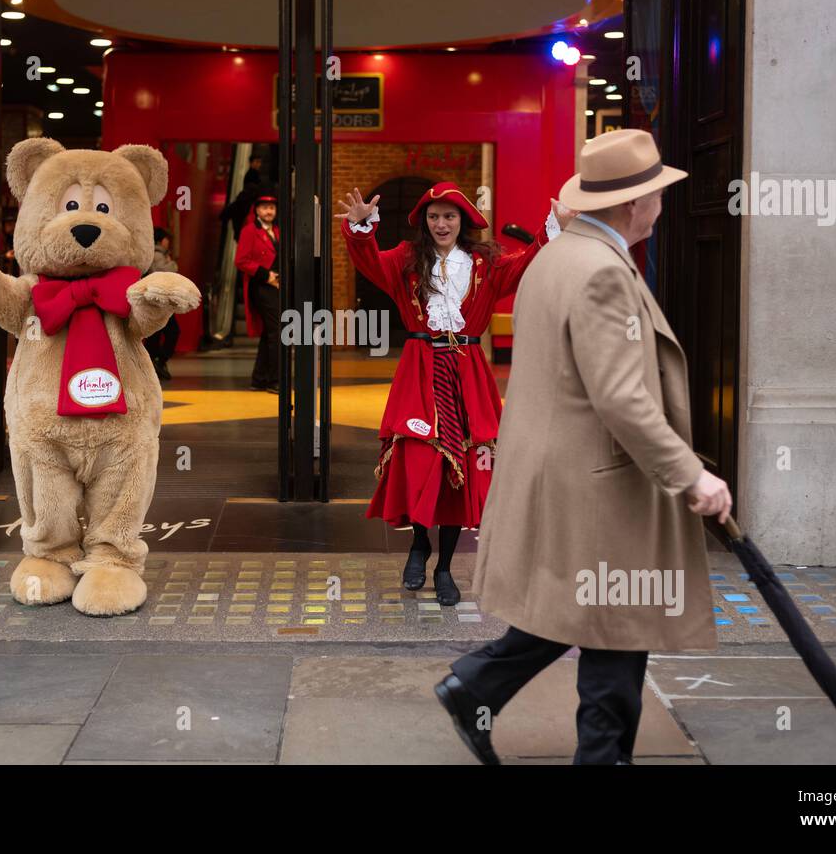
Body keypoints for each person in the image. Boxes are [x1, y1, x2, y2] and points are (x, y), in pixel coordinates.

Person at [434, 128, 732, 765]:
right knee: (615, 621)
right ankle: (598, 755)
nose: (662, 204)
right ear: (631, 205)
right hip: (602, 482)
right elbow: (621, 398)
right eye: (656, 193)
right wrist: (692, 476)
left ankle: (477, 688)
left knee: (591, 611)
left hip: (568, 472)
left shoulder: (560, 255)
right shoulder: (603, 273)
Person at [337, 182, 564, 606]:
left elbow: (528, 264)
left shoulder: (486, 263)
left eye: (450, 216)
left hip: (467, 373)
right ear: (425, 221)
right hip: (421, 370)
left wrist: (553, 229)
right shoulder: (406, 259)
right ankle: (419, 544)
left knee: (462, 465)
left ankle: (443, 567)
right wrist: (361, 227)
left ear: (463, 221)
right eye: (434, 216)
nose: (441, 224)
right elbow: (367, 262)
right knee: (421, 457)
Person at [234, 191, 281, 392]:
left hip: (276, 286)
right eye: (264, 208)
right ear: (257, 211)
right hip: (261, 286)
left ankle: (259, 379)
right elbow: (241, 261)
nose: (268, 211)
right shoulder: (249, 231)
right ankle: (274, 381)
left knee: (269, 332)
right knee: (277, 332)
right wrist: (268, 276)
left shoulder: (278, 230)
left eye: (271, 208)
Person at [143, 227, 181, 382]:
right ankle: (159, 360)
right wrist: (173, 265)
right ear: (160, 240)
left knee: (155, 334)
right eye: (167, 239)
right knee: (173, 331)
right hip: (159, 301)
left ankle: (153, 364)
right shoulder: (158, 255)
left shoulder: (155, 254)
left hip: (155, 301)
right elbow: (164, 273)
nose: (168, 242)